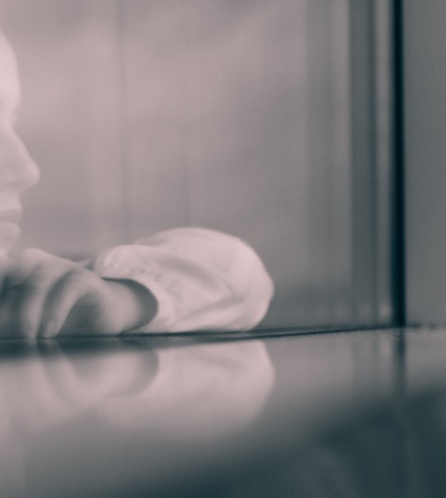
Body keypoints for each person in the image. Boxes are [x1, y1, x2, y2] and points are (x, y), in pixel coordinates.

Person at [0, 28, 272, 338]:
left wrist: (123, 299)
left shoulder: (25, 291)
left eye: (15, 123)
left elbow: (237, 273)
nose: (26, 169)